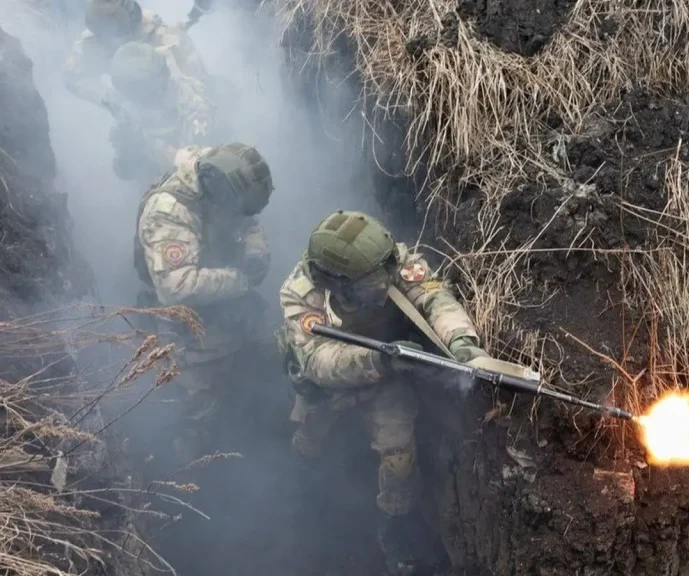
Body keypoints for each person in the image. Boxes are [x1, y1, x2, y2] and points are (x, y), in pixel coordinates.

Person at [277, 210, 488, 575]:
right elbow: (318, 362)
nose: (384, 286)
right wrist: (380, 359)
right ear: (337, 284)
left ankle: (395, 526)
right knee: (310, 438)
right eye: (369, 286)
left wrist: (463, 343)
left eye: (384, 279)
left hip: (385, 377)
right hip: (329, 386)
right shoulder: (303, 295)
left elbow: (435, 300)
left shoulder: (389, 262)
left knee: (399, 456)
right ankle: (302, 489)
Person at [134, 143, 274, 463]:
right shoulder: (169, 211)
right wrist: (241, 280)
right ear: (220, 195)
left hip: (227, 303)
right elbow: (177, 287)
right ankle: (191, 470)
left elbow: (249, 221)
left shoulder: (224, 175)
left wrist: (255, 254)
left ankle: (259, 425)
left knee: (265, 360)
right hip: (185, 321)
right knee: (199, 405)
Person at [106, 41, 218, 185]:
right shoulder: (126, 107)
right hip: (158, 170)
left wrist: (158, 147)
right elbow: (125, 170)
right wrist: (126, 148)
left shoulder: (189, 99)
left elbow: (196, 157)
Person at [63, 0, 210, 110]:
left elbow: (202, 93)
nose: (108, 42)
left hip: (167, 115)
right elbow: (70, 79)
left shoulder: (168, 40)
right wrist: (108, 101)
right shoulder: (97, 41)